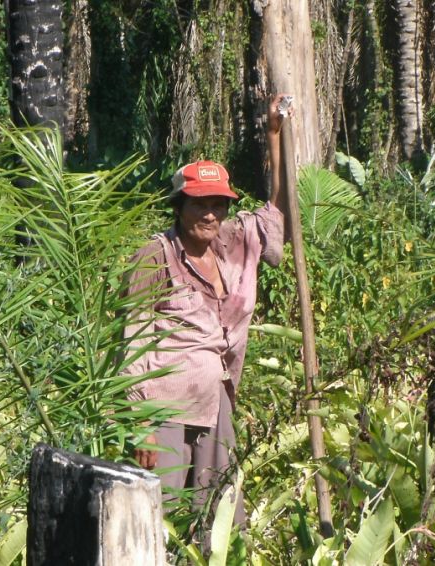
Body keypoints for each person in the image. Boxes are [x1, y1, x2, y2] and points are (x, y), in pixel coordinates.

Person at [122, 95, 290, 525]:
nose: (210, 214)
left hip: (217, 403)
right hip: (165, 411)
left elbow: (277, 214)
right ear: (179, 206)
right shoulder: (154, 257)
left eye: (218, 204)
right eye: (199, 203)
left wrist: (274, 136)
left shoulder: (234, 243)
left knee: (219, 520)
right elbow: (133, 342)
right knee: (163, 520)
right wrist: (140, 424)